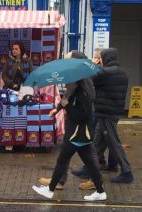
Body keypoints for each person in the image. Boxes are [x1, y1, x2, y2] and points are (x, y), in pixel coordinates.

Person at [32, 75, 107, 201]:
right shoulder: (74, 91)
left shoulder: (82, 95)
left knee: (62, 161)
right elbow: (65, 100)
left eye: (67, 82)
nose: (65, 85)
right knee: (90, 164)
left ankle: (50, 190)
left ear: (75, 82)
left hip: (77, 135)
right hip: (80, 135)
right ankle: (100, 191)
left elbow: (83, 115)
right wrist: (57, 110)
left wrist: (68, 106)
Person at [38, 50, 95, 190]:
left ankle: (95, 182)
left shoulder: (82, 77)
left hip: (79, 123)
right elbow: (68, 95)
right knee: (69, 153)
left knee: (84, 154)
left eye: (68, 59)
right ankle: (60, 181)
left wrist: (68, 108)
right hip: (75, 121)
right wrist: (57, 109)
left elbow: (85, 100)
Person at [77, 48, 133, 184]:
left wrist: (92, 64)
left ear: (105, 58)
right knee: (97, 143)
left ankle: (127, 172)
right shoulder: (121, 72)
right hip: (108, 112)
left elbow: (89, 79)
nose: (99, 60)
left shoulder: (106, 72)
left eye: (100, 58)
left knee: (114, 143)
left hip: (107, 113)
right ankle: (88, 168)